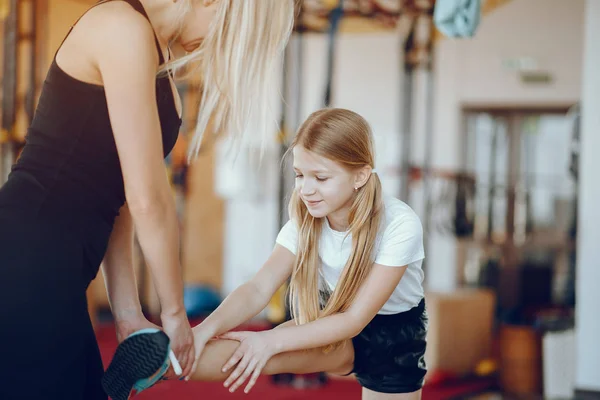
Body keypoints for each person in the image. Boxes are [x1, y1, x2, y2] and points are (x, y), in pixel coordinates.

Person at [0, 0, 294, 399]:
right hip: (25, 260)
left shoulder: (156, 58)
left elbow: (115, 194)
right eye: (224, 30)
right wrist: (174, 314)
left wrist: (127, 312)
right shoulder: (122, 28)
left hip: (57, 272)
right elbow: (148, 199)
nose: (214, 44)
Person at [111, 108, 428, 400]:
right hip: (329, 318)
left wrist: (270, 339)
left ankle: (164, 365)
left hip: (392, 337)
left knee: (267, 346)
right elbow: (258, 288)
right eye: (300, 175)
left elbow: (355, 319)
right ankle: (158, 366)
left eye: (320, 178)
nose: (305, 189)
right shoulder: (306, 219)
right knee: (257, 353)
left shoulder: (399, 224)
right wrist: (203, 330)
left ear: (360, 176)